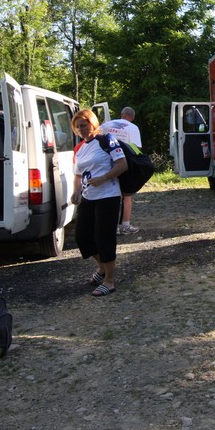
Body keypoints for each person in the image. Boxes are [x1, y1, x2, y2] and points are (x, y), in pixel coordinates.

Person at [70, 109, 128, 296]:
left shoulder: (106, 140)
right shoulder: (80, 148)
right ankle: (102, 267)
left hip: (108, 196)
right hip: (88, 197)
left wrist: (104, 177)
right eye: (77, 127)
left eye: (84, 125)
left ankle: (109, 281)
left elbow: (122, 164)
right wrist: (76, 191)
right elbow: (78, 175)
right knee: (82, 237)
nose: (81, 129)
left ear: (92, 123)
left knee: (104, 238)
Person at [100, 106, 142, 235]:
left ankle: (111, 227)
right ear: (132, 118)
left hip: (105, 163)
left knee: (108, 195)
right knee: (127, 195)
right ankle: (125, 226)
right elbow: (136, 148)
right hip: (124, 163)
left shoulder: (106, 125)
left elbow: (97, 142)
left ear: (121, 114)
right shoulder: (133, 128)